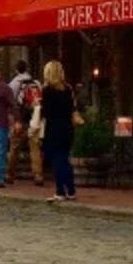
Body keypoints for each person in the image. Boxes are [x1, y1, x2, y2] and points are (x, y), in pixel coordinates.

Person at [39, 61, 83, 203]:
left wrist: (38, 105)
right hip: (67, 128)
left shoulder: (47, 90)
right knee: (65, 159)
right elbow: (72, 108)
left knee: (57, 161)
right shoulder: (68, 89)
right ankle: (71, 190)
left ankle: (60, 191)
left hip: (54, 128)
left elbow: (46, 113)